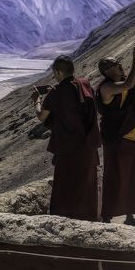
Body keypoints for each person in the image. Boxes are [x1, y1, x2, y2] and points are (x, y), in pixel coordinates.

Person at [33, 54, 101, 221]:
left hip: (69, 149)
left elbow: (42, 117)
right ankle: (89, 219)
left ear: (57, 72)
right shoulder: (84, 84)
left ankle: (66, 221)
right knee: (86, 183)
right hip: (88, 146)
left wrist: (37, 100)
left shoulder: (57, 93)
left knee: (66, 184)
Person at [97, 48, 135, 226]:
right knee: (114, 176)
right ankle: (107, 216)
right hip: (115, 139)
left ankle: (130, 215)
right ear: (106, 71)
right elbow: (128, 85)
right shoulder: (106, 88)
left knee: (132, 177)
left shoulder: (127, 82)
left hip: (131, 136)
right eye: (115, 64)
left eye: (119, 62)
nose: (120, 65)